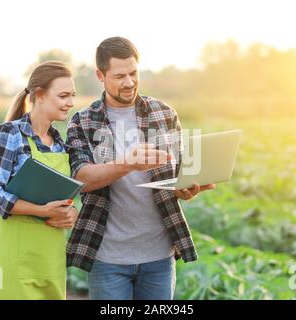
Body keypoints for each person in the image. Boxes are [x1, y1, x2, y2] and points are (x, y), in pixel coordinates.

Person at [65, 37, 215, 300]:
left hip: (159, 257)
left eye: (133, 73)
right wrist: (127, 163)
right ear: (101, 75)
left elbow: (178, 174)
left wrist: (186, 189)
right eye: (120, 76)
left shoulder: (163, 113)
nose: (129, 82)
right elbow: (82, 179)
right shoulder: (83, 121)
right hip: (108, 258)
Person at [0, 61, 78, 300]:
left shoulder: (60, 144)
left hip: (49, 260)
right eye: (63, 95)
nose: (70, 103)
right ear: (40, 95)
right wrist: (42, 210)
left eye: (72, 95)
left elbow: (62, 198)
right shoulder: (9, 134)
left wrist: (70, 213)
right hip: (13, 257)